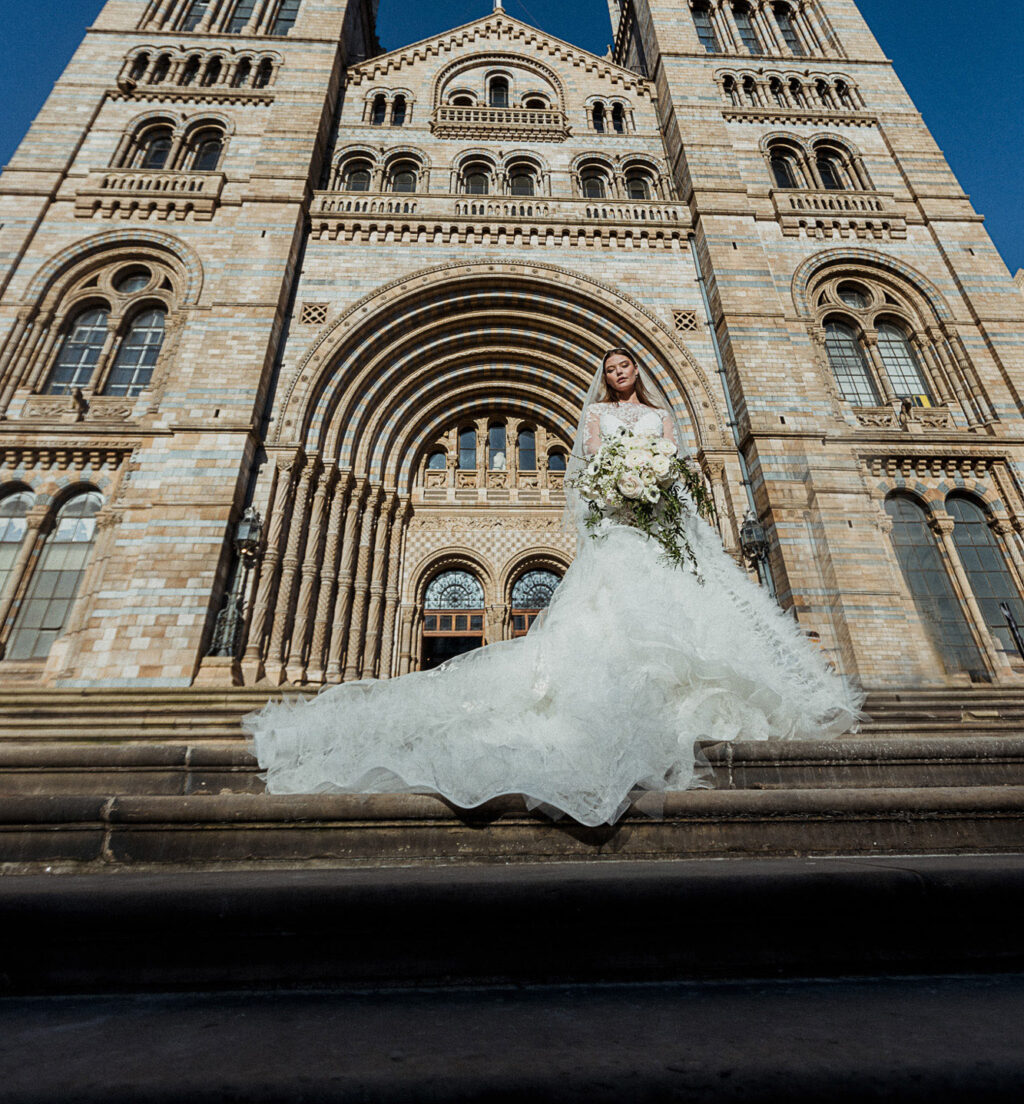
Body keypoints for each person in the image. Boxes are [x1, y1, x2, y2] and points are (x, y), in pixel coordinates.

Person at [244, 346, 860, 826]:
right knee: (618, 621)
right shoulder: (594, 415)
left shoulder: (661, 416)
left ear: (637, 371)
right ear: (604, 376)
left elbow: (673, 465)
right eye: (610, 367)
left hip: (661, 526)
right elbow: (591, 469)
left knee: (682, 616)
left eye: (625, 365)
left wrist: (656, 488)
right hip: (621, 526)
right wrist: (622, 490)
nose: (618, 373)